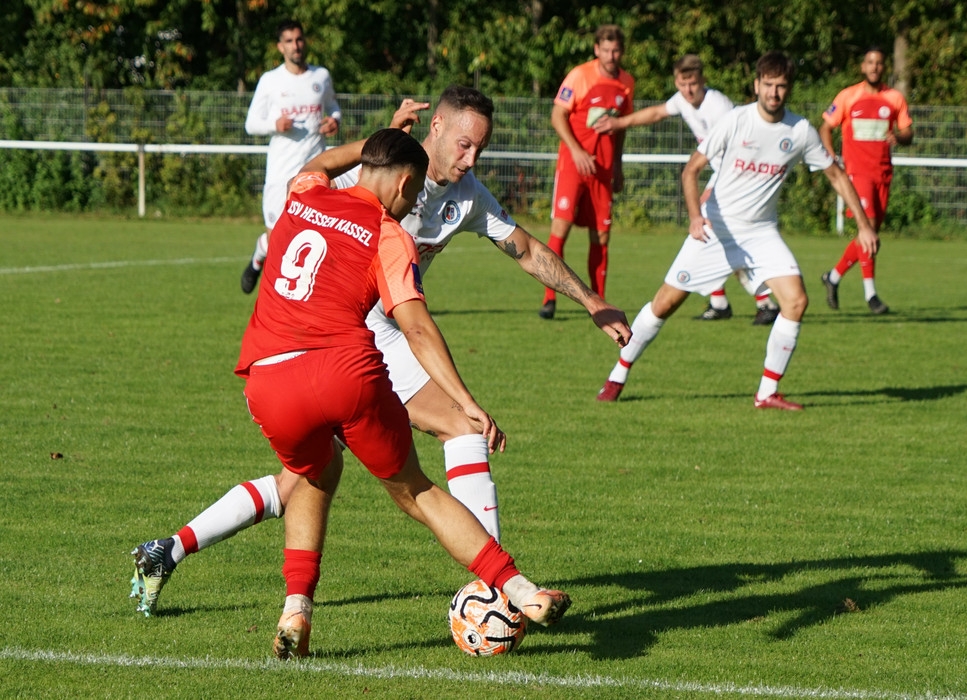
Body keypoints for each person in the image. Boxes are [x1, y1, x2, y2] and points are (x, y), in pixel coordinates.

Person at [129, 87, 631, 617]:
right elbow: (325, 176)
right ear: (434, 128)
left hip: (347, 346)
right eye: (464, 145)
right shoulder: (371, 174)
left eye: (480, 149)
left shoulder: (470, 197)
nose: (471, 159)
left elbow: (526, 248)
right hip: (346, 339)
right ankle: (498, 591)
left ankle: (170, 550)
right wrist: (375, 141)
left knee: (305, 480)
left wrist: (591, 300)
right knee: (447, 436)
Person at [595, 52, 879, 409]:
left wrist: (865, 226)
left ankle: (766, 392)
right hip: (715, 229)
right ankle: (617, 375)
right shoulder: (735, 120)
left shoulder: (800, 130)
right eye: (769, 85)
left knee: (796, 301)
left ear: (788, 88)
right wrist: (696, 217)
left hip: (761, 233)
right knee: (664, 304)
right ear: (757, 85)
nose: (774, 93)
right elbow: (691, 170)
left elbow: (836, 174)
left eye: (782, 86)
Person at [595, 53, 780, 326]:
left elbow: (737, 152)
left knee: (716, 237)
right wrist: (619, 123)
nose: (688, 90)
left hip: (737, 179)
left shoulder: (718, 107)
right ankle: (726, 302)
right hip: (723, 177)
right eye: (682, 84)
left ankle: (761, 302)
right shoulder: (682, 100)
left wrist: (712, 188)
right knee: (708, 235)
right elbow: (657, 112)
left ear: (702, 80)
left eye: (692, 83)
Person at [538, 24, 634, 320]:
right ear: (596, 50)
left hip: (603, 170)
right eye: (605, 50)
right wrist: (577, 151)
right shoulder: (580, 75)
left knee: (602, 237)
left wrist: (617, 164)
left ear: (621, 51)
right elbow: (557, 115)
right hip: (573, 164)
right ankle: (549, 299)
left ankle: (599, 301)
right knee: (560, 229)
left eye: (616, 50)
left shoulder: (626, 83)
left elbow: (621, 129)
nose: (611, 55)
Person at [240, 19, 342, 295]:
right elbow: (251, 124)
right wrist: (275, 124)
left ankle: (308, 299)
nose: (295, 45)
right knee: (278, 241)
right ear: (280, 47)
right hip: (280, 174)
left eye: (299, 39)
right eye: (289, 41)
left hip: (315, 173)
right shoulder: (270, 81)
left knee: (322, 237)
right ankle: (260, 255)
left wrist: (334, 120)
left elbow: (333, 107)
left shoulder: (321, 77)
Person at [819, 46, 913, 315]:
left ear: (884, 68)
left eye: (879, 63)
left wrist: (900, 137)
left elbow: (908, 132)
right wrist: (831, 156)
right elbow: (825, 126)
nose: (874, 67)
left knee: (871, 235)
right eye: (869, 62)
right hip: (856, 175)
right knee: (868, 229)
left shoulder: (894, 98)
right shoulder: (848, 96)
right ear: (863, 67)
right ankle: (871, 295)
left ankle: (833, 277)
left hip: (883, 174)